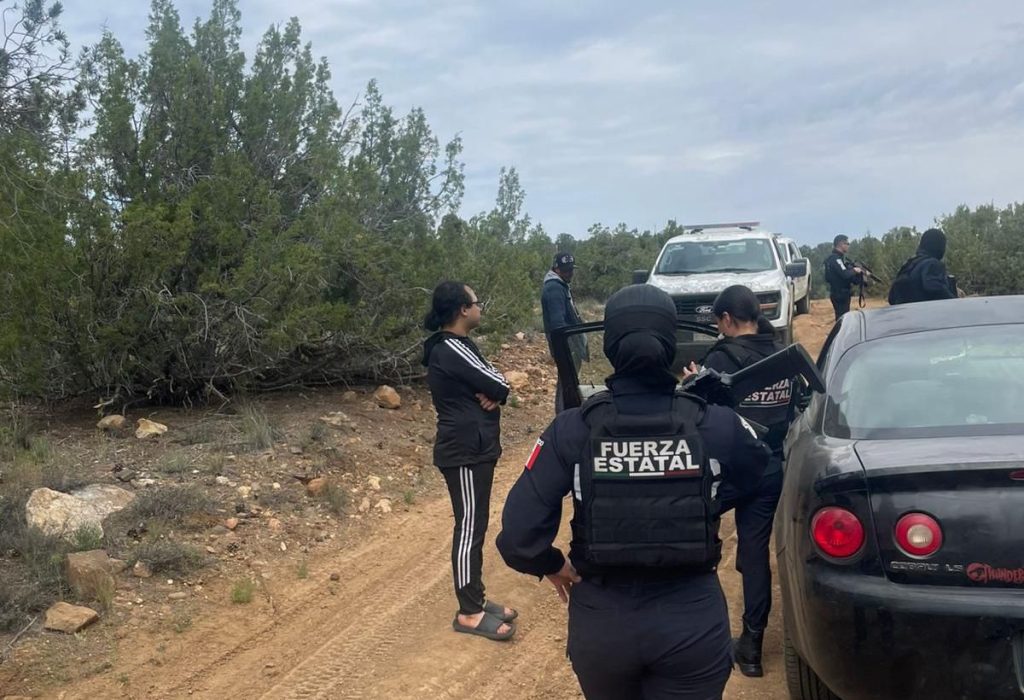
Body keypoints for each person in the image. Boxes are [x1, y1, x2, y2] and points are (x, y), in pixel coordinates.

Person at [497, 284, 771, 699]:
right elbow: (759, 472)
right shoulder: (715, 422)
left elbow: (518, 536)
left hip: (604, 623)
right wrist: (708, 496)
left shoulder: (572, 429)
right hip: (690, 621)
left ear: (609, 346)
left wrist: (552, 563)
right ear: (669, 345)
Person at [695, 285, 798, 678]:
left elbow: (702, 414)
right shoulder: (782, 354)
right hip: (768, 468)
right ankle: (751, 648)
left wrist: (694, 382)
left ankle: (695, 636)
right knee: (755, 558)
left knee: (696, 545)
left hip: (724, 473)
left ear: (726, 320)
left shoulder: (721, 356)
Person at [422, 281, 517, 641]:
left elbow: (495, 385)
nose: (480, 308)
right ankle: (469, 612)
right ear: (463, 309)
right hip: (463, 450)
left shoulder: (461, 347)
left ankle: (475, 599)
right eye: (477, 303)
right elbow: (498, 384)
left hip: (474, 448)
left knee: (475, 524)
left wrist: (496, 390)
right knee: (469, 527)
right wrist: (497, 390)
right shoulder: (450, 348)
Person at [542, 252, 587, 412]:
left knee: (569, 381)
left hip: (569, 344)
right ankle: (564, 417)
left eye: (571, 269)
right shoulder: (554, 288)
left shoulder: (560, 285)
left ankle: (569, 413)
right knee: (567, 382)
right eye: (566, 270)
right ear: (556, 269)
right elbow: (558, 324)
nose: (570, 273)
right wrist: (566, 348)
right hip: (567, 345)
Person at [887, 228, 957, 305]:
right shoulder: (933, 264)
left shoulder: (909, 265)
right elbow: (937, 290)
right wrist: (956, 302)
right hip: (925, 314)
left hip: (904, 314)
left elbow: (891, 298)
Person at [823, 234, 865, 320]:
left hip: (839, 293)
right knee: (842, 320)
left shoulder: (837, 258)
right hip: (840, 295)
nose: (848, 246)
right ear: (841, 244)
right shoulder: (836, 259)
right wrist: (855, 270)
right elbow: (845, 274)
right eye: (847, 243)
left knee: (842, 319)